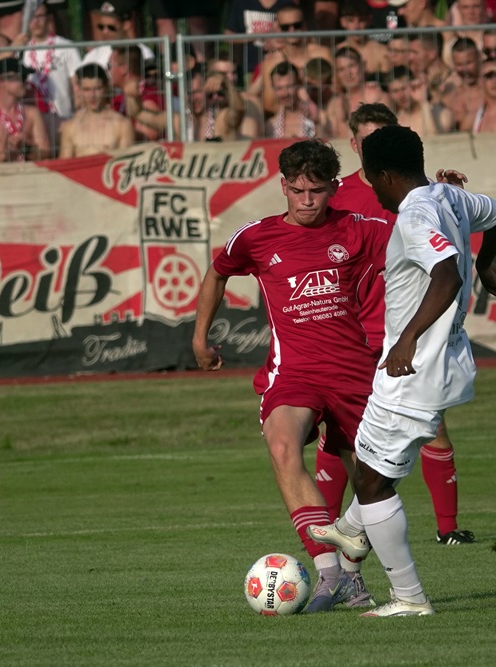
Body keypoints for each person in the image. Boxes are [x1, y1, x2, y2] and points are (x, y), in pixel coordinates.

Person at [307, 124, 496, 616]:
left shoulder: (416, 213)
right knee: (376, 463)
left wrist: (408, 337)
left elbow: (445, 275)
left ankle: (408, 597)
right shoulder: (450, 196)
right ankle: (351, 530)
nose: (372, 190)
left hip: (415, 366)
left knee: (372, 482)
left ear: (383, 174)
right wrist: (486, 266)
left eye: (370, 179)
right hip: (445, 361)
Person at [192, 139, 386, 613]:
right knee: (282, 446)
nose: (306, 200)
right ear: (283, 186)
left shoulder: (362, 230)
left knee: (373, 483)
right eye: (297, 190)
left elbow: (424, 241)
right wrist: (199, 339)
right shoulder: (256, 237)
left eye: (316, 191)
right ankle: (328, 572)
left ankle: (352, 577)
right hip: (293, 372)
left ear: (333, 188)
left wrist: (441, 196)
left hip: (354, 374)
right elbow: (217, 274)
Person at [316, 103, 475, 547]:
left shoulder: (417, 193)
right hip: (355, 330)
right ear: (354, 144)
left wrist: (447, 195)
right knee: (342, 432)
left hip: (407, 330)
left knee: (428, 428)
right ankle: (328, 532)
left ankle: (447, 528)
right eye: (369, 139)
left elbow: (445, 256)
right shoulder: (336, 195)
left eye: (386, 135)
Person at [22, 2, 81, 153]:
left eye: (40, 16)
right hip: (37, 123)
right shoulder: (22, 52)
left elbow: (77, 86)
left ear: (48, 18)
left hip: (64, 118)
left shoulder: (66, 46)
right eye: (32, 17)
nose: (36, 22)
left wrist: (77, 117)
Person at [0, 57, 50, 162]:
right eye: (21, 78)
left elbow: (47, 154)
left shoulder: (32, 114)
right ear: (3, 81)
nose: (26, 82)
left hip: (28, 172)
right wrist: (4, 155)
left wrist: (26, 148)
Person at [59, 64, 133, 158]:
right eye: (87, 90)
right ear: (79, 90)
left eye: (98, 88)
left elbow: (126, 162)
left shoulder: (122, 125)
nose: (92, 95)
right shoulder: (70, 127)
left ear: (106, 87)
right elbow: (65, 163)